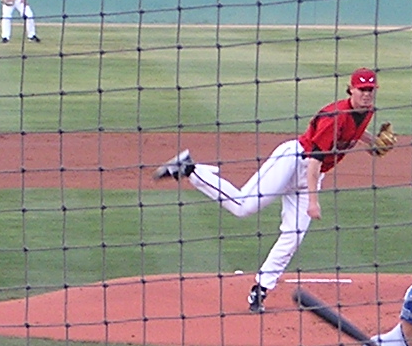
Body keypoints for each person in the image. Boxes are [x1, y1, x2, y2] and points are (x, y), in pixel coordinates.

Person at [155, 70, 397, 313]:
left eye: (370, 90)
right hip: (292, 162)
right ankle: (190, 170)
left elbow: (352, 133)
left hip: (310, 176)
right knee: (243, 206)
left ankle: (260, 289)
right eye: (362, 90)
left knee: (293, 236)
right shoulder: (334, 116)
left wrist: (372, 142)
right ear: (351, 89)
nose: (366, 94)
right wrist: (313, 202)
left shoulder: (366, 112)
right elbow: (314, 162)